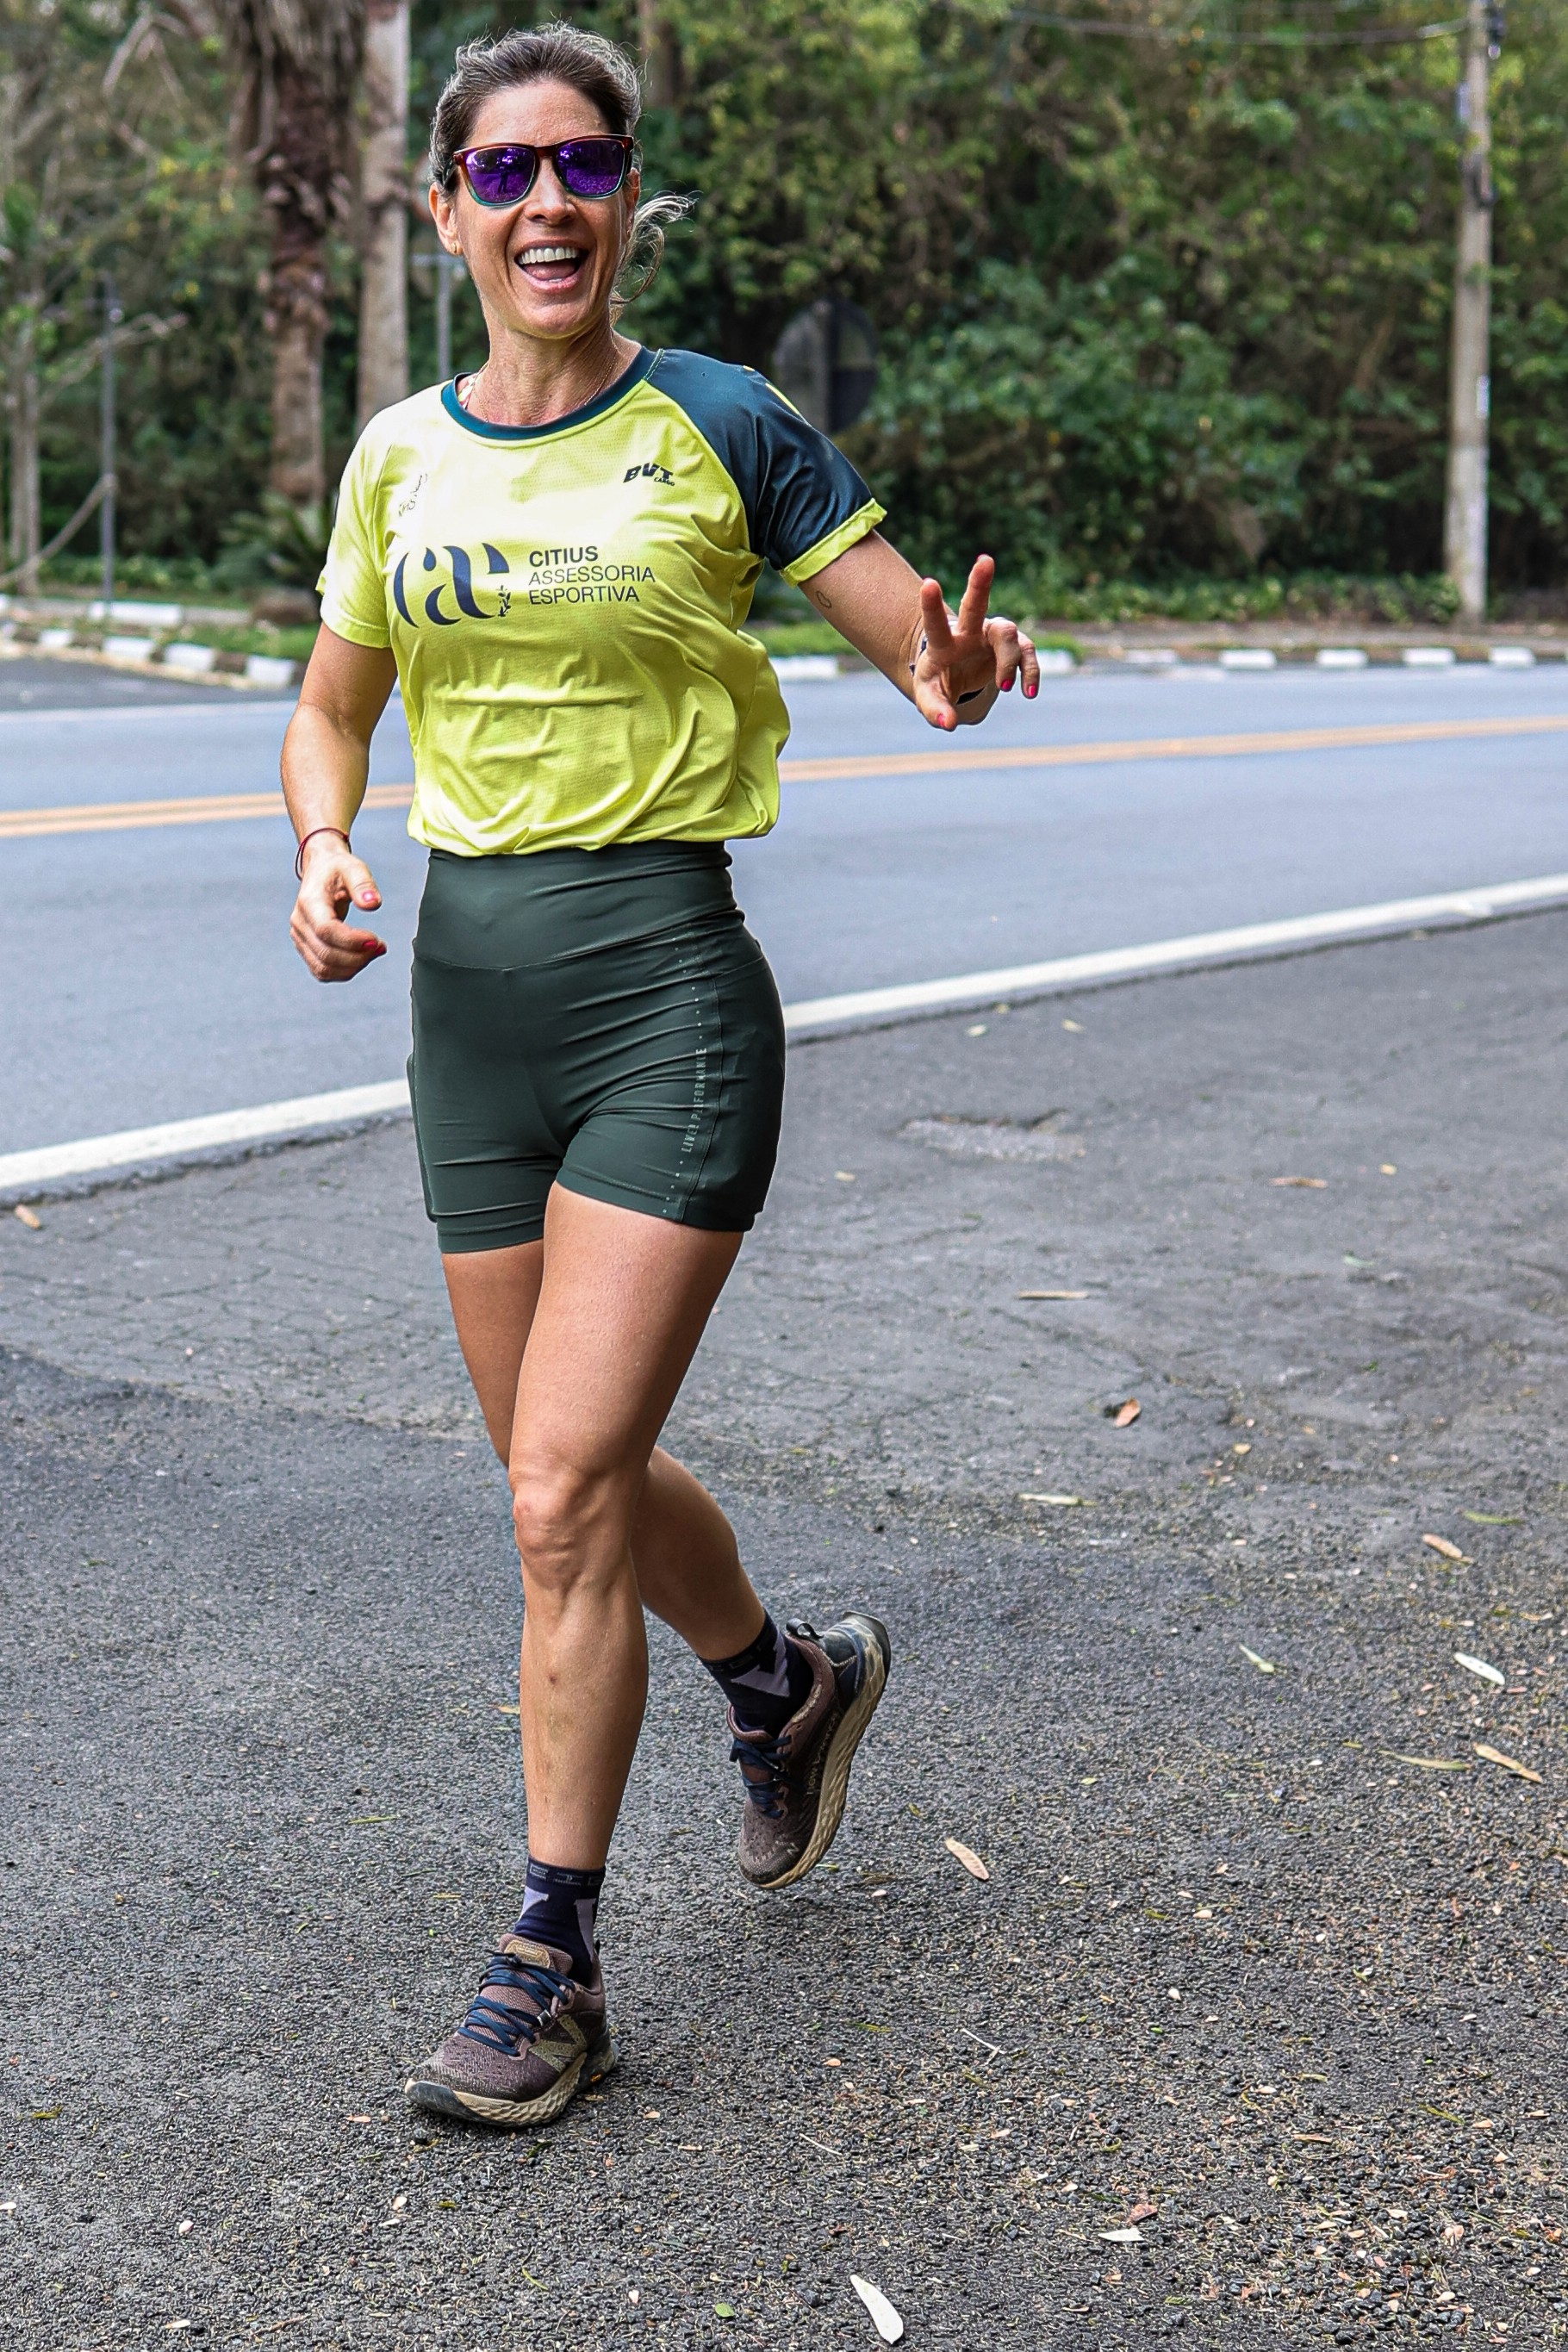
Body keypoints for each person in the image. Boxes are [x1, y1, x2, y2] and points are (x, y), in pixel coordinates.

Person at [283, 19, 1041, 2131]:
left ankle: (551, 1965)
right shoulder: (397, 457)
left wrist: (955, 665)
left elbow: (913, 645)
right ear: (448, 211)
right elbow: (332, 704)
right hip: (469, 1014)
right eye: (504, 170)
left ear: (628, 199)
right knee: (567, 1471)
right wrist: (324, 839)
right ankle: (782, 1685)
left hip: (661, 1001)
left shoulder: (717, 420)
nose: (547, 202)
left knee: (555, 1494)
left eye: (585, 166)